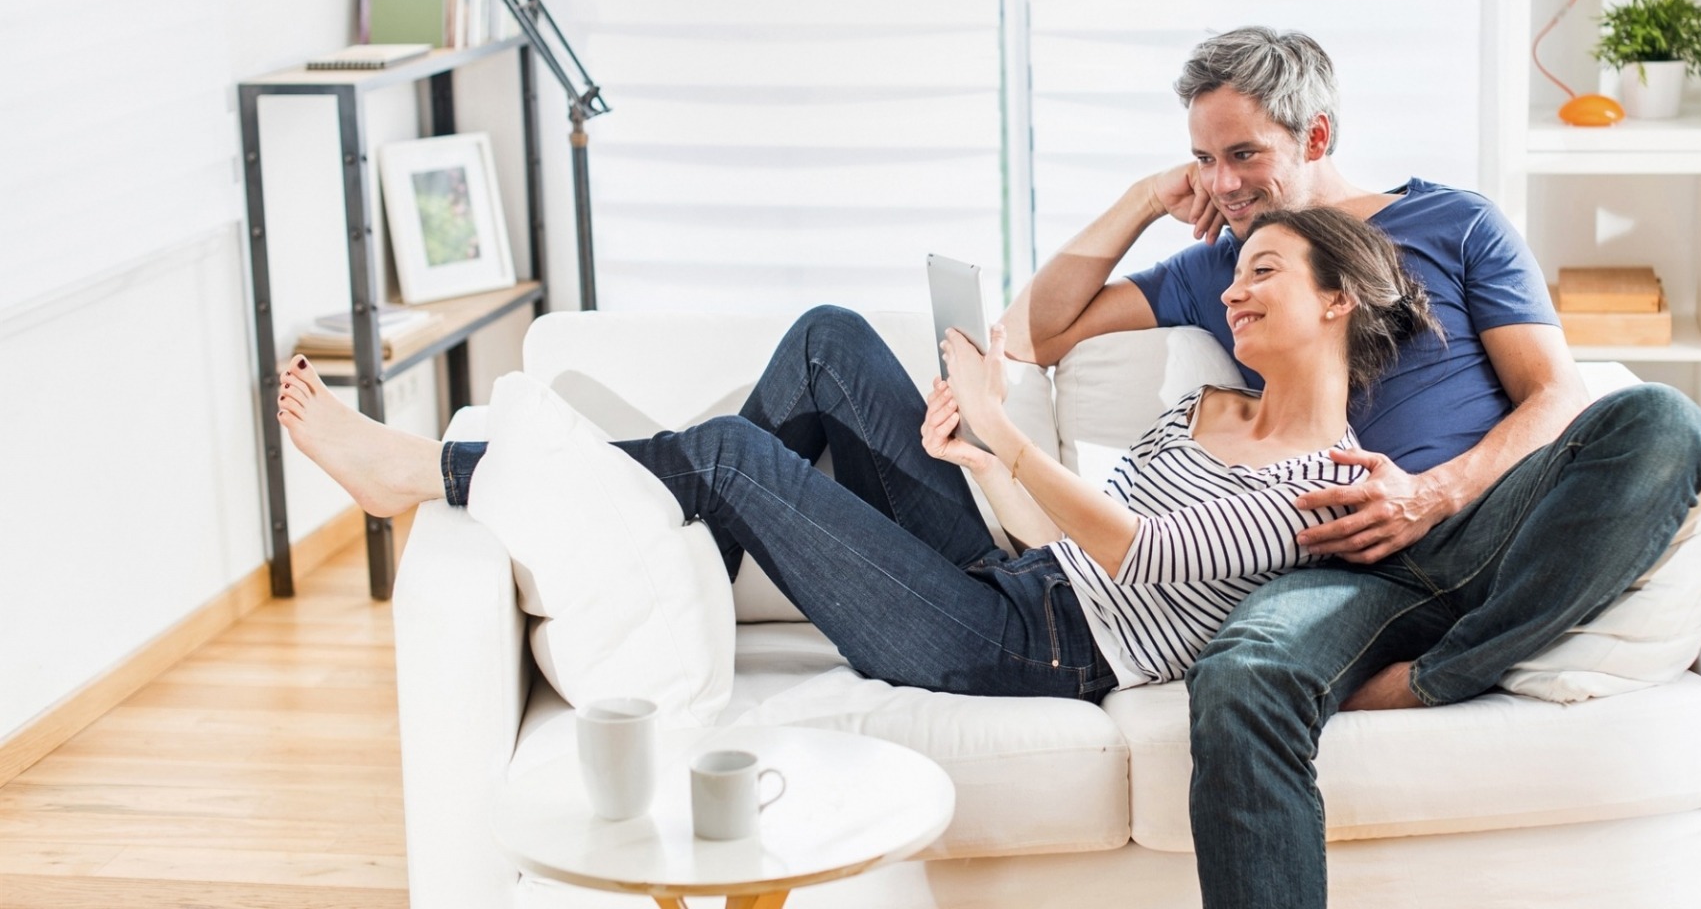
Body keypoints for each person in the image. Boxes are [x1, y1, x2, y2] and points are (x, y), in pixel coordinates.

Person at [998, 26, 1701, 908]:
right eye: (1204, 160)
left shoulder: (1455, 223)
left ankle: (1443, 672)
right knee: (1242, 678)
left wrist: (1433, 492)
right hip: (1340, 567)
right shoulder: (1231, 265)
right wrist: (1147, 198)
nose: (1223, 184)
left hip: (1485, 521)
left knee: (1662, 422)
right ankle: (1424, 670)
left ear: (1318, 135)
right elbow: (1036, 333)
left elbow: (1555, 393)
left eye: (1244, 154)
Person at [275, 207, 1439, 702]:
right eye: (1234, 274)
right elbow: (1059, 533)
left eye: (1264, 272)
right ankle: (657, 553)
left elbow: (1144, 553)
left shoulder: (1326, 485)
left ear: (1338, 301)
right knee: (830, 341)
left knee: (731, 455)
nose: (1232, 292)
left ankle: (430, 474)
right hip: (1021, 578)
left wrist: (1007, 433)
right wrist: (976, 457)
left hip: (1030, 654)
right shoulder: (1202, 408)